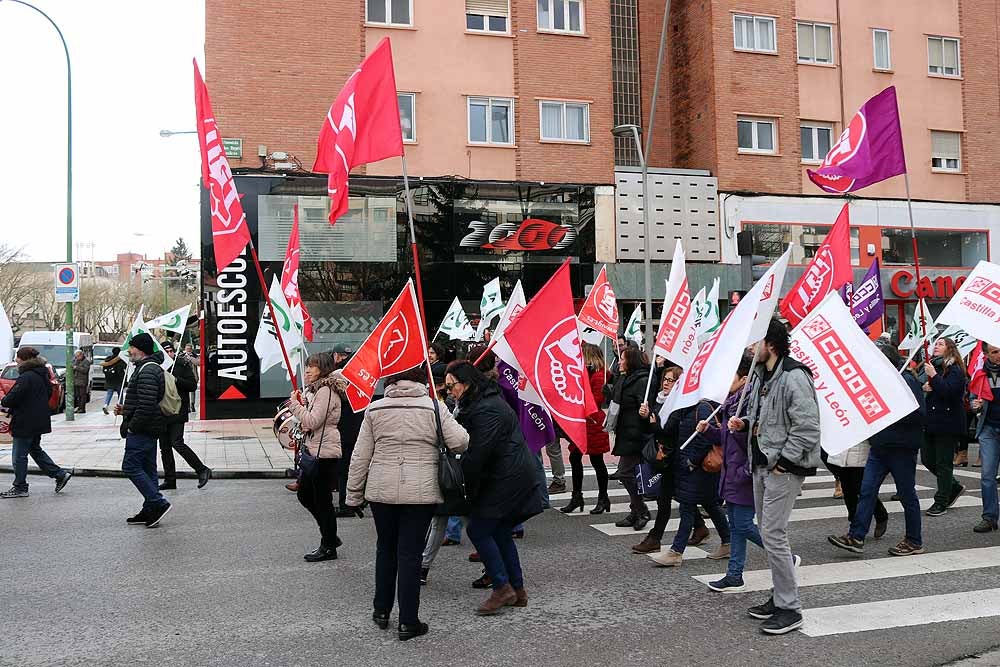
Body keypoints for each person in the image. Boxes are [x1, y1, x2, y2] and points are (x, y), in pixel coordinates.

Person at [346, 365, 469, 641]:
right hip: (421, 491)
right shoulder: (434, 407)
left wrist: (353, 495)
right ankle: (408, 622)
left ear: (390, 381)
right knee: (411, 554)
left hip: (381, 490)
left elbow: (360, 455)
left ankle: (381, 610)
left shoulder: (375, 409)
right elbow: (460, 442)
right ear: (422, 380)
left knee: (385, 549)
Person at [729, 319, 821, 635]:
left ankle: (790, 608)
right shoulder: (761, 375)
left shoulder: (794, 376)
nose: (750, 348)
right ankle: (779, 596)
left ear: (771, 344)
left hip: (781, 468)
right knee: (769, 535)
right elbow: (768, 418)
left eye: (756, 342)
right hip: (761, 463)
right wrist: (744, 422)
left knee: (773, 533)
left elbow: (807, 427)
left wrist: (784, 463)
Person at [445, 360, 544, 616]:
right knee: (499, 530)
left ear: (466, 384)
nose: (449, 391)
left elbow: (478, 454)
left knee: (478, 529)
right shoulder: (481, 402)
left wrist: (462, 476)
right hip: (508, 474)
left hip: (508, 477)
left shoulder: (485, 409)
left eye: (451, 386)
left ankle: (502, 587)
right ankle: (517, 590)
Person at [829, 343, 927, 556]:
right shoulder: (876, 382)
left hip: (901, 448)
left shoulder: (906, 381)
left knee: (906, 494)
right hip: (879, 446)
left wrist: (895, 405)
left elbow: (920, 415)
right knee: (866, 491)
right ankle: (856, 536)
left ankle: (914, 540)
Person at [700, 355, 765, 590]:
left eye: (731, 377)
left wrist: (738, 429)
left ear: (744, 379)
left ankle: (785, 556)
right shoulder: (730, 404)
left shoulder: (749, 407)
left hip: (744, 474)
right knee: (736, 526)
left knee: (744, 524)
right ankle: (734, 574)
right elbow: (726, 440)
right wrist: (709, 432)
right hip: (731, 473)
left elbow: (751, 441)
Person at [647, 393, 730, 568]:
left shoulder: (703, 407)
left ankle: (676, 552)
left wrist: (692, 461)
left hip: (697, 467)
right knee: (710, 504)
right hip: (688, 465)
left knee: (686, 506)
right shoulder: (688, 407)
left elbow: (707, 438)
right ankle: (728, 542)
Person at [288, 352, 343, 562]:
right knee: (305, 495)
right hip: (316, 449)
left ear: (323, 368)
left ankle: (328, 545)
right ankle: (330, 536)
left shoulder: (326, 390)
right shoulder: (319, 390)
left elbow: (313, 421)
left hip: (325, 452)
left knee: (322, 501)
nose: (308, 370)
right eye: (308, 366)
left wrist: (294, 405)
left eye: (313, 366)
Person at [0, 347, 72, 498]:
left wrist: (5, 402)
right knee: (35, 450)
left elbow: (11, 398)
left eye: (18, 358)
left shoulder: (26, 377)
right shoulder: (42, 374)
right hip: (38, 420)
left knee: (19, 456)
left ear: (24, 359)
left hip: (25, 421)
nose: (16, 360)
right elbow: (47, 394)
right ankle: (59, 474)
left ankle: (20, 487)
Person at [116, 332, 171, 527]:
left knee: (130, 466)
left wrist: (132, 427)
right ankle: (150, 509)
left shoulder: (147, 370)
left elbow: (147, 405)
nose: (128, 351)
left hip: (143, 428)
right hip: (148, 427)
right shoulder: (146, 368)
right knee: (148, 469)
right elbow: (144, 400)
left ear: (141, 349)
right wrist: (125, 409)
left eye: (131, 347)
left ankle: (158, 502)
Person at [560, 342, 611, 514]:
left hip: (593, 422)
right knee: (575, 457)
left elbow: (595, 400)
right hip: (584, 422)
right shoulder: (587, 373)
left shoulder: (598, 375)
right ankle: (577, 496)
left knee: (597, 461)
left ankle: (602, 497)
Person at [921, 337, 968, 517]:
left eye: (941, 344)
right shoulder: (934, 366)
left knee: (943, 463)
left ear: (950, 349)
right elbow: (933, 389)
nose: (936, 346)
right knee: (927, 459)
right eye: (936, 344)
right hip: (931, 421)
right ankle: (954, 486)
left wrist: (933, 377)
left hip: (947, 423)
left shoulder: (955, 369)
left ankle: (941, 500)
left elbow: (949, 392)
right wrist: (926, 386)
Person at [157, 341, 211, 490]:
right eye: (165, 351)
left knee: (176, 442)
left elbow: (192, 385)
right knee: (164, 446)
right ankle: (170, 480)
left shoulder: (181, 364)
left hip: (178, 409)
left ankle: (201, 469)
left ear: (174, 352)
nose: (168, 354)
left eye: (170, 351)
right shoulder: (158, 366)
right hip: (162, 410)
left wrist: (175, 380)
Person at [610, 346, 652, 531]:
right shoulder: (625, 377)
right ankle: (636, 509)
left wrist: (644, 413)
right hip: (626, 432)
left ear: (631, 361)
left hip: (637, 435)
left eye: (623, 358)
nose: (619, 361)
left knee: (625, 472)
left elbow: (645, 407)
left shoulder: (642, 380)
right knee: (627, 473)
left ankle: (641, 509)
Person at [824, 437, 888, 538]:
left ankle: (880, 515)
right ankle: (854, 526)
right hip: (842, 448)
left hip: (861, 449)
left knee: (860, 488)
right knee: (848, 490)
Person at [972, 343, 1000, 533]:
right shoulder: (980, 375)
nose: (999, 355)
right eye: (995, 352)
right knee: (987, 476)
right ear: (986, 354)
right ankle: (989, 517)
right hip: (989, 429)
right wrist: (976, 405)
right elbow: (973, 401)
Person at [335, 369, 366, 519]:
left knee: (344, 471)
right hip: (357, 435)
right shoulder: (360, 394)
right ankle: (356, 501)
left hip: (344, 436)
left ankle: (346, 505)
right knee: (356, 469)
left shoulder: (339, 399)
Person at [101, 348, 126, 415]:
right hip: (119, 380)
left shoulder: (108, 359)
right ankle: (120, 407)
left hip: (110, 379)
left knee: (109, 393)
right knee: (120, 394)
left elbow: (104, 368)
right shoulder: (121, 359)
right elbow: (124, 369)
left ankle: (106, 405)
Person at [72, 349, 90, 414]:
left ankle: (82, 408)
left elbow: (85, 370)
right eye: (76, 356)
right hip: (76, 381)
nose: (77, 358)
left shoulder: (86, 361)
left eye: (78, 356)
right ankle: (78, 407)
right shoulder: (76, 361)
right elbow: (73, 366)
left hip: (82, 381)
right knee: (77, 395)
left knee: (82, 395)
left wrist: (76, 367)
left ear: (81, 355)